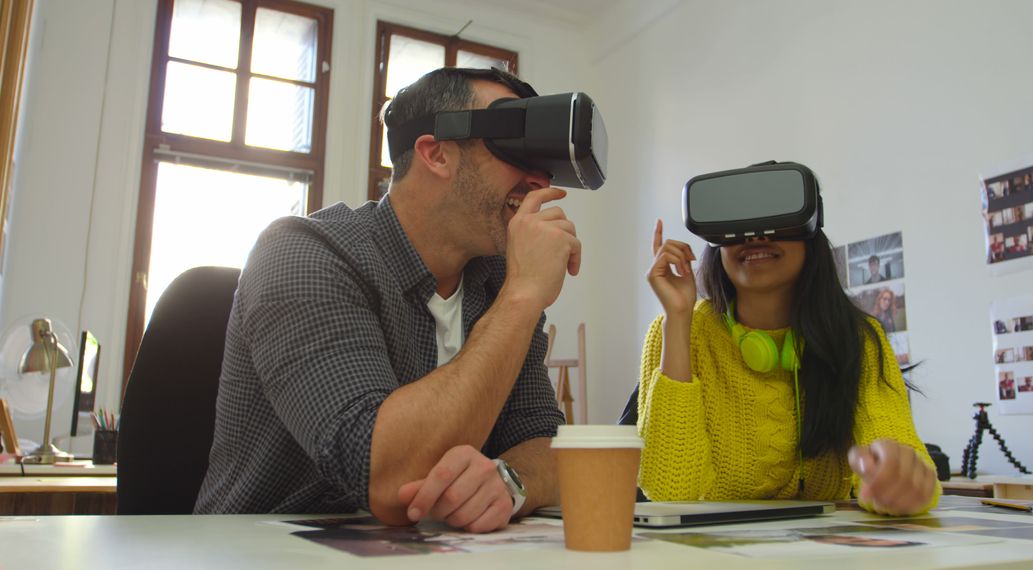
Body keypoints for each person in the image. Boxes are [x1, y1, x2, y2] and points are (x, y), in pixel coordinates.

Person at [195, 68, 581, 533]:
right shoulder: (303, 254)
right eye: (514, 151)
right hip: (265, 552)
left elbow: (547, 442)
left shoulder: (496, 282)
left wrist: (510, 481)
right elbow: (389, 477)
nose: (538, 180)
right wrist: (522, 298)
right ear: (435, 153)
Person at [639, 218, 940, 517]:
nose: (756, 235)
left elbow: (895, 444)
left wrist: (902, 479)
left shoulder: (857, 337)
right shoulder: (679, 329)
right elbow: (671, 493)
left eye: (776, 220)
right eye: (740, 224)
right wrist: (677, 320)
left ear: (810, 234)